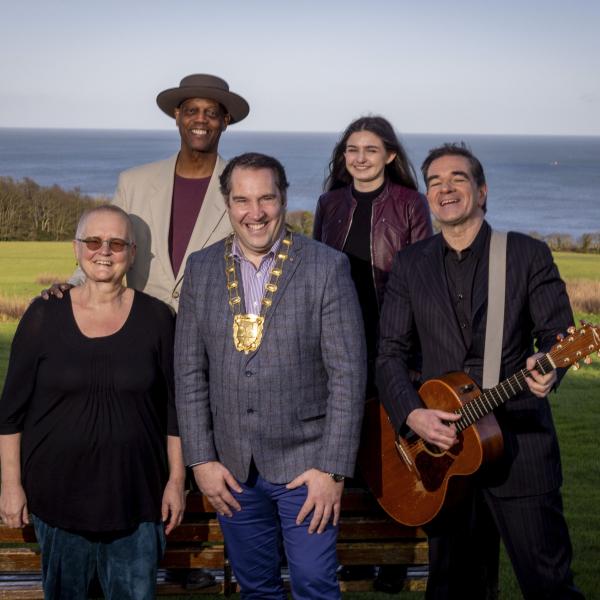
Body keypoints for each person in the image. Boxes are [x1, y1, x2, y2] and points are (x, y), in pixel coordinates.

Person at [377, 143, 583, 599]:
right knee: (454, 590)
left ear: (482, 191)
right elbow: (389, 353)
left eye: (457, 179)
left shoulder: (527, 255)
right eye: (434, 182)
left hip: (521, 453)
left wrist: (549, 369)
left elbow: (558, 337)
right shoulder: (411, 264)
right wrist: (413, 415)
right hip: (445, 460)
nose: (445, 189)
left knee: (548, 586)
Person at [174, 152, 366, 599]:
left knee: (315, 585)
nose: (254, 212)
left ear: (283, 199)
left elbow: (348, 376)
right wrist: (201, 461)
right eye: (242, 200)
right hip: (232, 470)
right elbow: (188, 373)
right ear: (227, 203)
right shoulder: (200, 270)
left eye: (266, 198)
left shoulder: (326, 267)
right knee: (256, 588)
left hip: (307, 469)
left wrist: (332, 470)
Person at [0, 205, 185, 600]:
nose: (105, 251)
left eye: (116, 242)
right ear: (76, 248)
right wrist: (11, 486)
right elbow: (11, 412)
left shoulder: (158, 319)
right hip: (58, 501)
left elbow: (175, 410)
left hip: (136, 501)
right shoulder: (43, 315)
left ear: (131, 252)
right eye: (93, 241)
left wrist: (176, 480)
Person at [313, 115, 433, 590]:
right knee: (348, 447)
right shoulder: (329, 203)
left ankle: (397, 556)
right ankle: (356, 555)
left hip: (394, 342)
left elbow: (424, 273)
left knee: (396, 448)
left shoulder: (410, 202)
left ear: (389, 155)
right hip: (339, 339)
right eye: (351, 150)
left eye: (369, 149)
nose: (359, 158)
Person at [50, 73, 249, 312]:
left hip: (214, 335)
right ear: (177, 116)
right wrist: (72, 286)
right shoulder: (134, 183)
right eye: (191, 111)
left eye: (211, 113)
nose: (201, 120)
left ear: (225, 120)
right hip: (144, 330)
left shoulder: (243, 188)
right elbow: (105, 245)